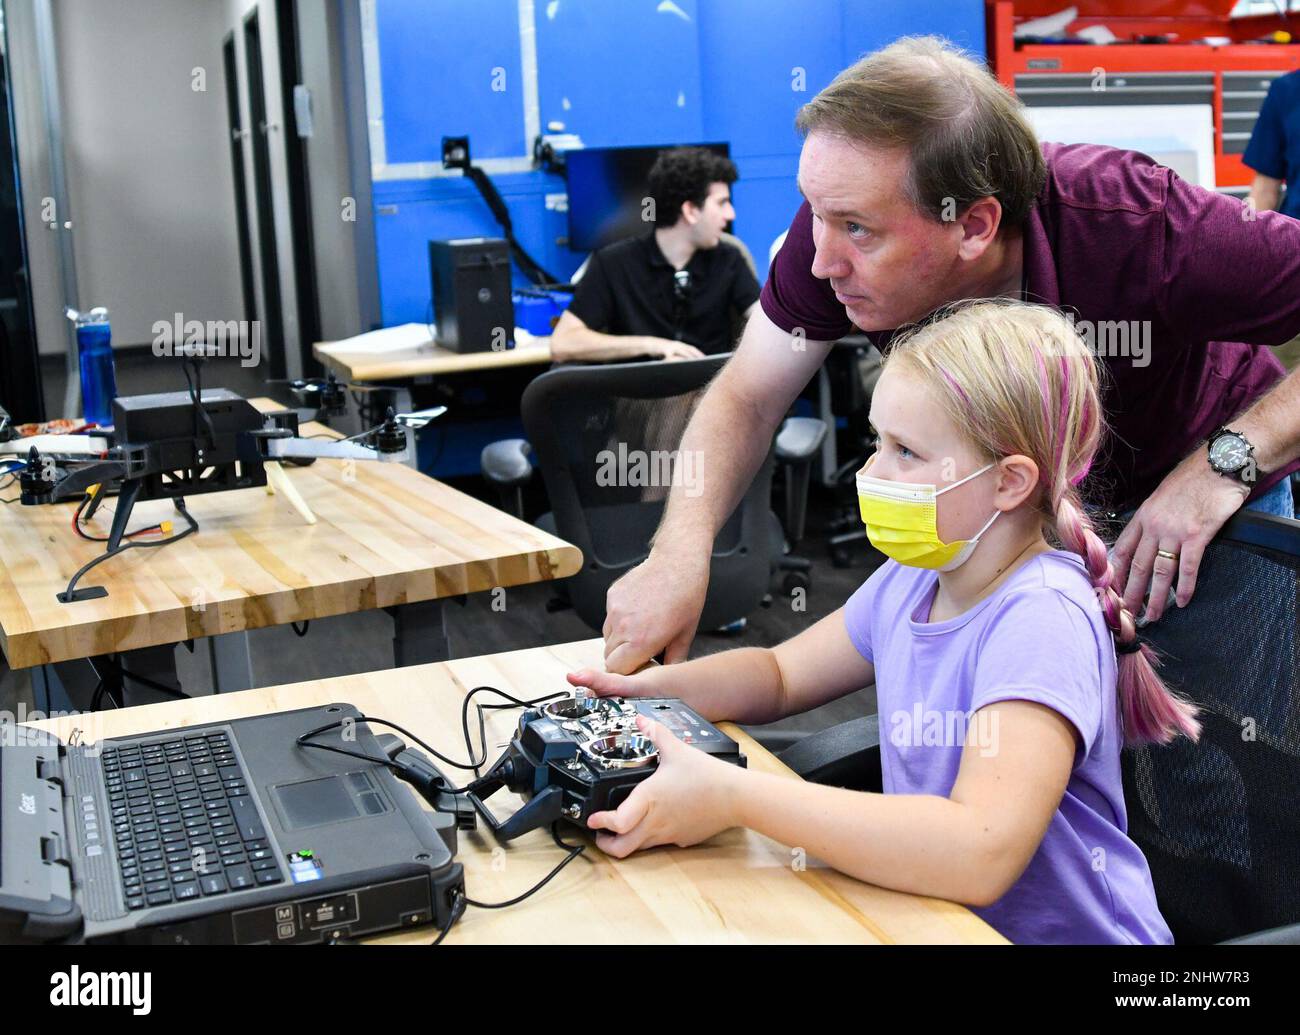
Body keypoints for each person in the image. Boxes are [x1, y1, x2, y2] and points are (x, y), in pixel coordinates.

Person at [602, 36, 1300, 674]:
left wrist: (1228, 460)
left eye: (856, 229)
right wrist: (678, 553)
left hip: (1194, 499)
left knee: (1201, 766)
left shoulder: (1143, 225)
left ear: (974, 225)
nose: (818, 262)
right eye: (814, 211)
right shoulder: (845, 218)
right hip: (1021, 522)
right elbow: (748, 396)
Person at [570, 301, 1191, 944]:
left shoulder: (1041, 618)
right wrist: (646, 694)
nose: (871, 471)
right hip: (927, 919)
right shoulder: (919, 576)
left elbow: (980, 852)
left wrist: (733, 797)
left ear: (1008, 482)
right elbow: (779, 676)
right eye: (877, 442)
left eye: (906, 451)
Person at [550, 146, 760, 364]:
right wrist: (653, 345)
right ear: (690, 211)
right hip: (641, 392)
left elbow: (769, 323)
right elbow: (562, 343)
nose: (730, 214)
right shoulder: (613, 263)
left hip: (709, 390)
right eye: (722, 203)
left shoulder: (729, 258)